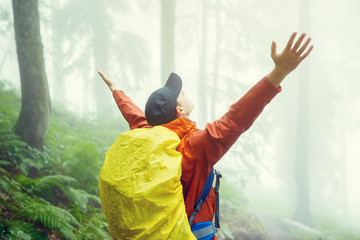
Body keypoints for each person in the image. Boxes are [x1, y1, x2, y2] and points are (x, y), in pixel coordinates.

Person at [97, 32, 313, 239]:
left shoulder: (148, 135)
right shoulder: (194, 147)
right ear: (179, 110)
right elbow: (236, 118)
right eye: (181, 94)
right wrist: (279, 72)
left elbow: (134, 115)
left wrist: (116, 89)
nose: (184, 93)